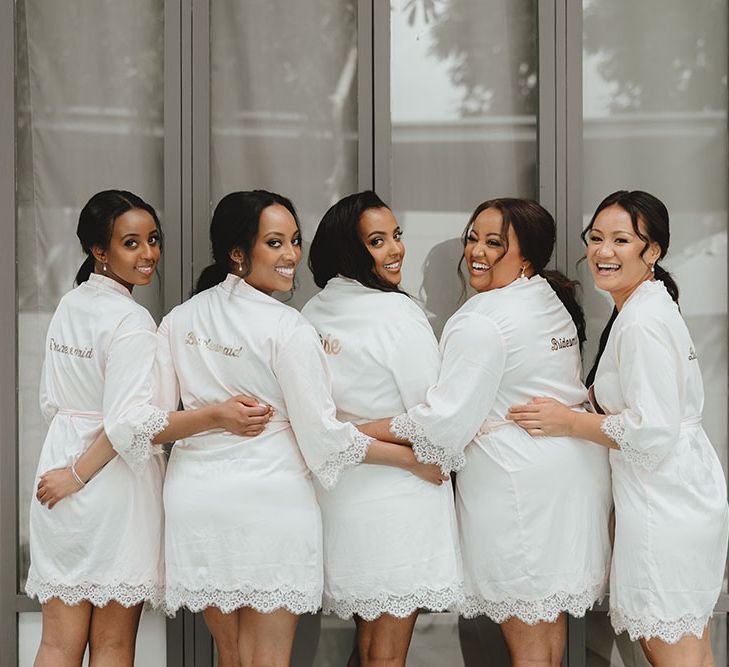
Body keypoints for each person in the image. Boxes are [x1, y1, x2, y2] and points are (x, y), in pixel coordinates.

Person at [156, 190, 446, 667]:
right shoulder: (288, 327)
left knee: (229, 656)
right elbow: (323, 439)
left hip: (196, 501)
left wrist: (211, 417)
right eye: (275, 243)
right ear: (237, 253)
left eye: (294, 241)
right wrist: (406, 458)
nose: (291, 255)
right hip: (270, 499)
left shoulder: (179, 320)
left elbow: (151, 422)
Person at [360, 198, 612, 666]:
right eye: (473, 237)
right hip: (568, 480)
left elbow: (441, 425)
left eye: (494, 242)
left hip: (518, 488)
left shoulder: (481, 320)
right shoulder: (547, 300)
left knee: (531, 646)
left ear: (528, 257)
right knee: (547, 636)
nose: (476, 250)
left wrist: (352, 429)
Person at [27, 190, 270, 667]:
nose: (148, 255)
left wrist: (67, 472)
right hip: (106, 482)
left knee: (57, 643)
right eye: (131, 243)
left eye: (152, 240)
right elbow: (128, 424)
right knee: (114, 644)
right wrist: (217, 415)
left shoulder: (70, 306)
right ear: (100, 250)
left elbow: (48, 402)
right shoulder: (132, 322)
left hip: (56, 473)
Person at [508, 190, 729, 667]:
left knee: (675, 650)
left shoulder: (643, 320)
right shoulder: (643, 305)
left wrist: (568, 421)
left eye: (622, 240)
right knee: (688, 646)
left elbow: (651, 431)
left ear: (653, 251)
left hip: (665, 503)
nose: (603, 252)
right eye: (596, 238)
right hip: (679, 494)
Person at [302, 191, 463, 667]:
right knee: (386, 653)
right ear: (350, 250)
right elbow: (433, 416)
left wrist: (346, 431)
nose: (395, 250)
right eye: (377, 241)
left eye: (396, 236)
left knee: (368, 647)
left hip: (340, 495)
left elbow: (315, 420)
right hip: (400, 494)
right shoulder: (397, 314)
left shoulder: (311, 315)